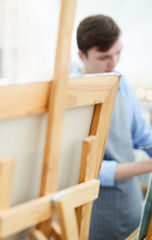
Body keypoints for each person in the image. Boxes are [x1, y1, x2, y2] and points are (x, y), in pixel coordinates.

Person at [71, 14, 152, 239]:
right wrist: (147, 166)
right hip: (94, 209)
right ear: (82, 55)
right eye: (105, 56)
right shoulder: (71, 96)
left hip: (130, 200)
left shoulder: (122, 84)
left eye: (118, 52)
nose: (114, 62)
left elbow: (143, 136)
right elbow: (84, 169)